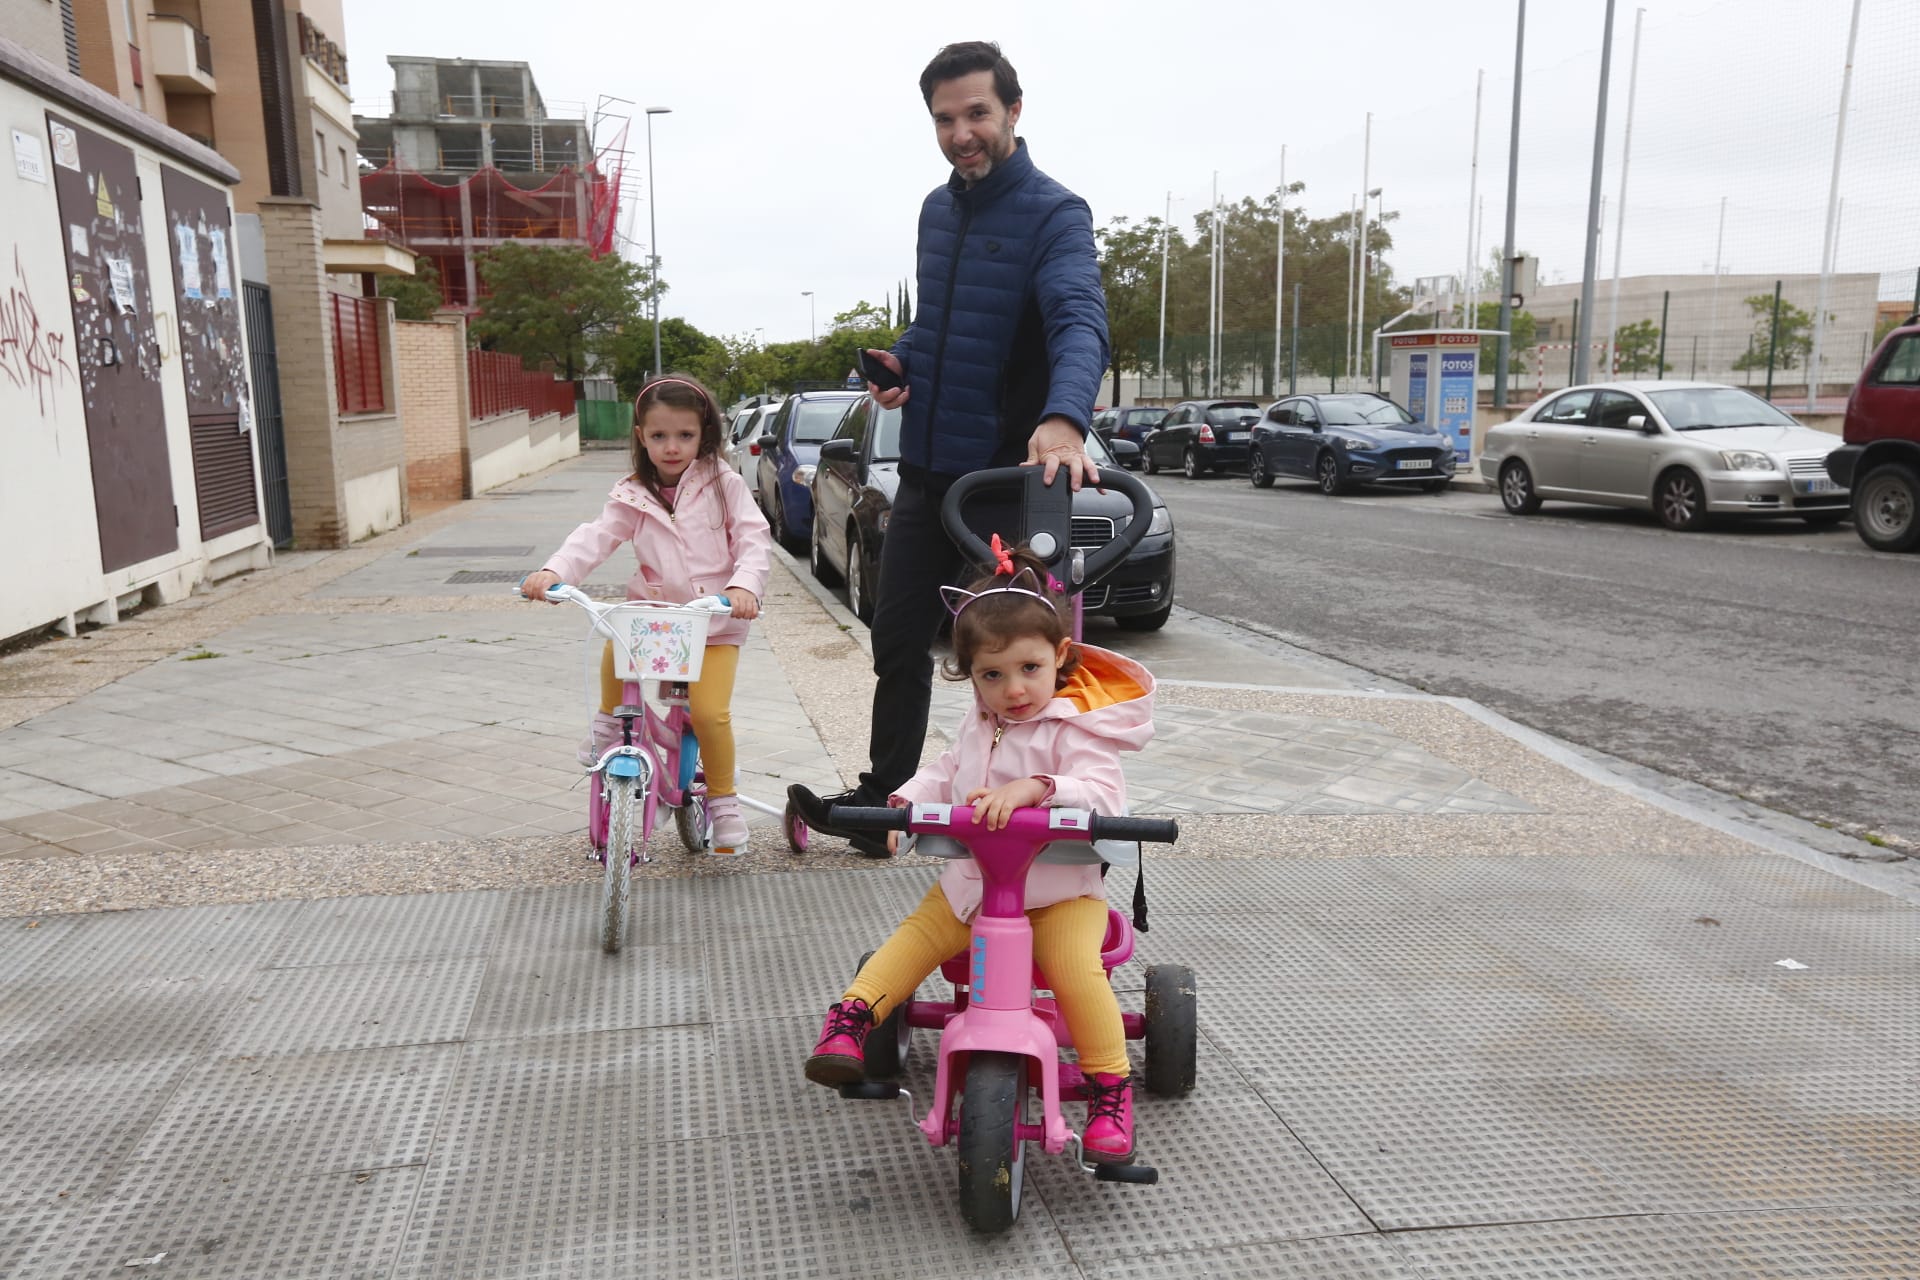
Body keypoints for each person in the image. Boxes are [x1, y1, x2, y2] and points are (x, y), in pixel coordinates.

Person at [787, 40, 1110, 856]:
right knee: (897, 640)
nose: (962, 133)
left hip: (1012, 479)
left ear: (1013, 111)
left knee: (1023, 657)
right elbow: (941, 325)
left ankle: (1047, 808)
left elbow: (1079, 320)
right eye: (945, 119)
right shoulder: (939, 208)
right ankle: (888, 802)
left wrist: (1065, 415)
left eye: (977, 114)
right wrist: (902, 361)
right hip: (930, 471)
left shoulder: (1054, 212)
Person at [803, 543, 1155, 1162]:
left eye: (1029, 668)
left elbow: (1102, 792)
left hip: (1059, 895)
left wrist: (1040, 788)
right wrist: (903, 803)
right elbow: (947, 770)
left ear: (1059, 657)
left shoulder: (1077, 727)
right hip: (975, 887)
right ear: (970, 675)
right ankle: (852, 1020)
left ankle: (1108, 1087)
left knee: (1077, 971)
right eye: (992, 675)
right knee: (913, 940)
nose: (1013, 689)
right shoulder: (981, 721)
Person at [521, 374, 773, 854]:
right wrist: (554, 571)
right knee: (616, 636)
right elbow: (596, 536)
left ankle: (722, 800)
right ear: (641, 436)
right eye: (659, 436)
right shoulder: (633, 492)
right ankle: (609, 724)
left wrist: (743, 586)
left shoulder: (726, 485)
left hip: (714, 622)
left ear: (705, 434)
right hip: (657, 619)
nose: (672, 447)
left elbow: (753, 540)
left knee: (707, 713)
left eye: (685, 435)